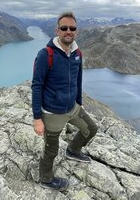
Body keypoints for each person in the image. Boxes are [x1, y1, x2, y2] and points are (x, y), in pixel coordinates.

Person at [31, 12, 98, 190]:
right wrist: (37, 119)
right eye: (64, 28)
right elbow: (37, 86)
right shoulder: (46, 54)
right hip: (53, 112)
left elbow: (78, 79)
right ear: (57, 31)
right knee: (51, 149)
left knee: (91, 129)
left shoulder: (77, 53)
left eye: (72, 28)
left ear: (76, 31)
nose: (68, 31)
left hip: (73, 107)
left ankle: (73, 151)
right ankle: (45, 179)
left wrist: (79, 101)